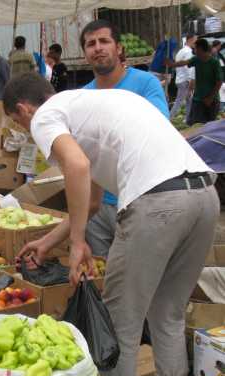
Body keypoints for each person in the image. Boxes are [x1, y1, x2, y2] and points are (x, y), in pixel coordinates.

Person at [4, 73, 218, 376]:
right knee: (168, 312)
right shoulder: (96, 106)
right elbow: (90, 203)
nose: (26, 132)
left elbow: (76, 166)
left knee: (120, 318)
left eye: (18, 123)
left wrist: (77, 243)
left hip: (158, 202)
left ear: (23, 110)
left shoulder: (46, 115)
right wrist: (50, 242)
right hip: (204, 197)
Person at [79, 19, 169, 259]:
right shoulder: (83, 97)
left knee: (139, 274)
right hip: (97, 205)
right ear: (85, 54)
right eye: (91, 44)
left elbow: (157, 129)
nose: (97, 48)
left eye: (104, 41)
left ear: (118, 48)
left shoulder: (145, 83)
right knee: (103, 277)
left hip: (139, 199)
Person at [171, 38, 223, 125]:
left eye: (195, 48)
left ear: (201, 49)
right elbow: (184, 62)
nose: (194, 50)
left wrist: (210, 98)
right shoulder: (196, 59)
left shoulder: (214, 63)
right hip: (198, 99)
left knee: (208, 126)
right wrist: (172, 64)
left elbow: (219, 82)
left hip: (212, 101)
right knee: (193, 124)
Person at [170, 35, 197, 120]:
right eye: (195, 41)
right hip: (184, 80)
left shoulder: (181, 51)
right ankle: (170, 118)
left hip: (180, 79)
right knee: (180, 101)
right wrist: (190, 81)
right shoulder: (188, 52)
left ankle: (188, 119)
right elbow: (189, 67)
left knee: (189, 100)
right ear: (190, 40)